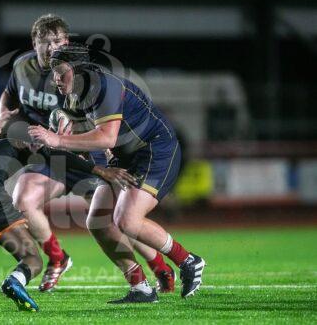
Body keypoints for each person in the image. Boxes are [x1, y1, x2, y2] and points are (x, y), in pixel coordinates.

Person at [0, 13, 175, 293]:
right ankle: (57, 259)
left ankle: (159, 266)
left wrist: (77, 133)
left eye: (58, 40)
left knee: (115, 217)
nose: (53, 46)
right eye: (46, 41)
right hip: (51, 155)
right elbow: (9, 94)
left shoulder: (76, 72)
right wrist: (2, 115)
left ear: (67, 42)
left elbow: (97, 116)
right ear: (35, 43)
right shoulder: (23, 67)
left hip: (88, 153)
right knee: (22, 198)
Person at [28, 44, 206, 301]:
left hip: (155, 149)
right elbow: (87, 135)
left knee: (127, 219)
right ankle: (140, 287)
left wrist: (56, 140)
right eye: (53, 72)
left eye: (61, 71)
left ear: (78, 70)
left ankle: (188, 261)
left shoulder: (105, 87)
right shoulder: (75, 93)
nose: (55, 78)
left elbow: (106, 137)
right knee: (98, 220)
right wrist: (62, 125)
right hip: (124, 156)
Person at [0, 122, 137, 311]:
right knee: (33, 260)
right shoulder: (13, 142)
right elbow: (54, 155)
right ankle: (15, 280)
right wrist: (98, 170)